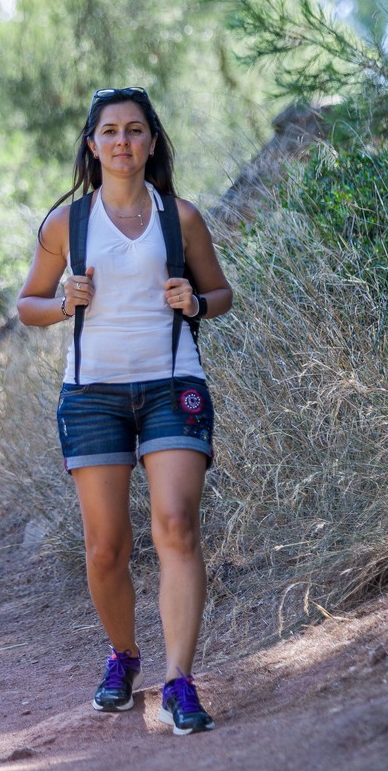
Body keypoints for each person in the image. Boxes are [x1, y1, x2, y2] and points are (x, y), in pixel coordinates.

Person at [16, 87, 233, 735]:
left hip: (172, 385)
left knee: (175, 524)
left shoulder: (181, 218)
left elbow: (219, 293)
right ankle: (123, 655)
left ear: (151, 142)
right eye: (108, 131)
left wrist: (194, 302)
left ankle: (179, 681)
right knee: (106, 547)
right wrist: (62, 302)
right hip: (91, 396)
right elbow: (27, 305)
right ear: (91, 145)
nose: (121, 141)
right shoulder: (67, 225)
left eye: (134, 130)